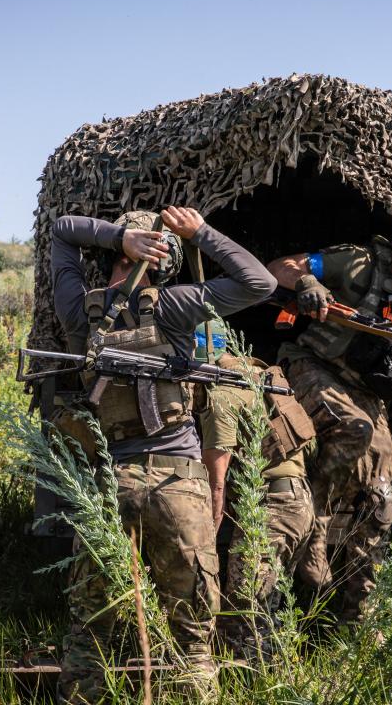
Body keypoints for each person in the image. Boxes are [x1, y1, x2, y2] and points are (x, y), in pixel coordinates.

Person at [50, 207, 275, 702]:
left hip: (108, 487)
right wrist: (201, 233)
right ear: (165, 260)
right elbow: (259, 284)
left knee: (90, 638)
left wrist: (116, 238)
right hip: (179, 486)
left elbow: (62, 230)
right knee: (193, 643)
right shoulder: (174, 307)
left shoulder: (77, 310)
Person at [266, 226, 392, 621]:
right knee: (354, 429)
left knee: (384, 487)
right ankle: (316, 530)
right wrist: (307, 281)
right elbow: (279, 267)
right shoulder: (358, 263)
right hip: (312, 366)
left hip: (367, 395)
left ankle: (358, 611)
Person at [193, 323, 317, 661]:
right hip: (298, 501)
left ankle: (253, 685)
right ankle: (281, 676)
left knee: (246, 611)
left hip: (271, 507)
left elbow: (216, 483)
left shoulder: (221, 392)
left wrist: (203, 537)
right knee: (272, 606)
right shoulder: (260, 375)